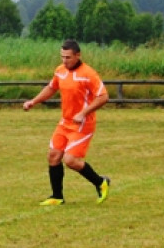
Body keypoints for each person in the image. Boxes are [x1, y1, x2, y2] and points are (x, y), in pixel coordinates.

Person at [23, 39, 111, 206]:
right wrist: (33, 101)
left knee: (70, 160)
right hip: (65, 123)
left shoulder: (89, 74)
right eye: (62, 57)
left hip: (83, 124)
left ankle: (100, 182)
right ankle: (57, 196)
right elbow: (51, 88)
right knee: (53, 156)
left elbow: (103, 97)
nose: (65, 60)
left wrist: (83, 112)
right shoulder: (60, 71)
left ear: (78, 55)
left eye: (68, 57)